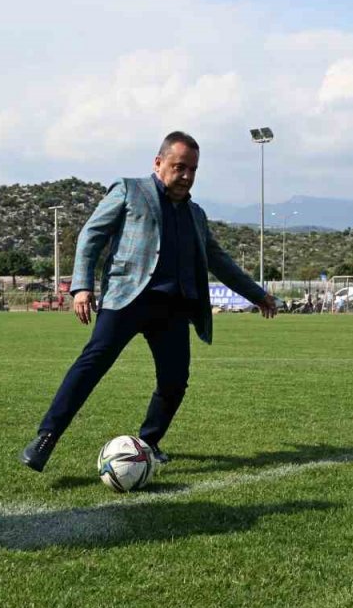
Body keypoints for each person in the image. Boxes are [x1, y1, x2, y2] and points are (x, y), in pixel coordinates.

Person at [18, 131, 277, 472]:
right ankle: (46, 437)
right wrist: (82, 287)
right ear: (158, 163)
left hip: (173, 309)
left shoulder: (196, 215)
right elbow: (91, 235)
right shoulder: (129, 190)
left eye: (193, 169)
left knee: (174, 381)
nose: (186, 176)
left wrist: (258, 295)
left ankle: (148, 443)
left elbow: (219, 261)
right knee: (92, 364)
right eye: (179, 167)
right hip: (127, 299)